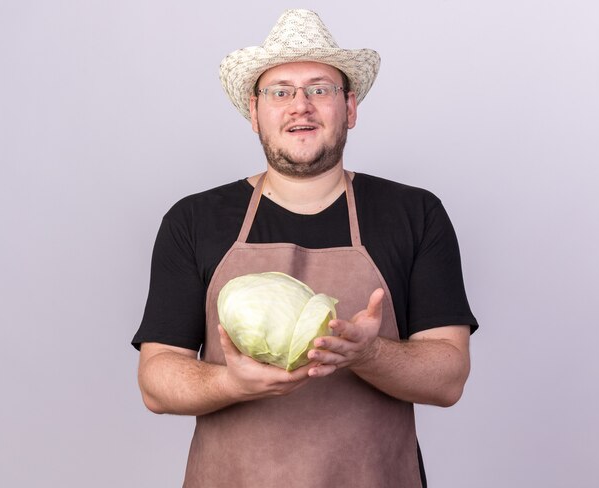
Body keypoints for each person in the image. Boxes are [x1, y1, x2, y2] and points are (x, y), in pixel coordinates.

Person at [132, 9, 478, 488]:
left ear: (350, 107)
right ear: (254, 112)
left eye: (320, 88)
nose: (301, 105)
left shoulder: (415, 214)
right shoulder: (193, 221)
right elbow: (155, 379)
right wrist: (230, 383)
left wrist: (366, 354)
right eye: (280, 91)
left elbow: (449, 377)